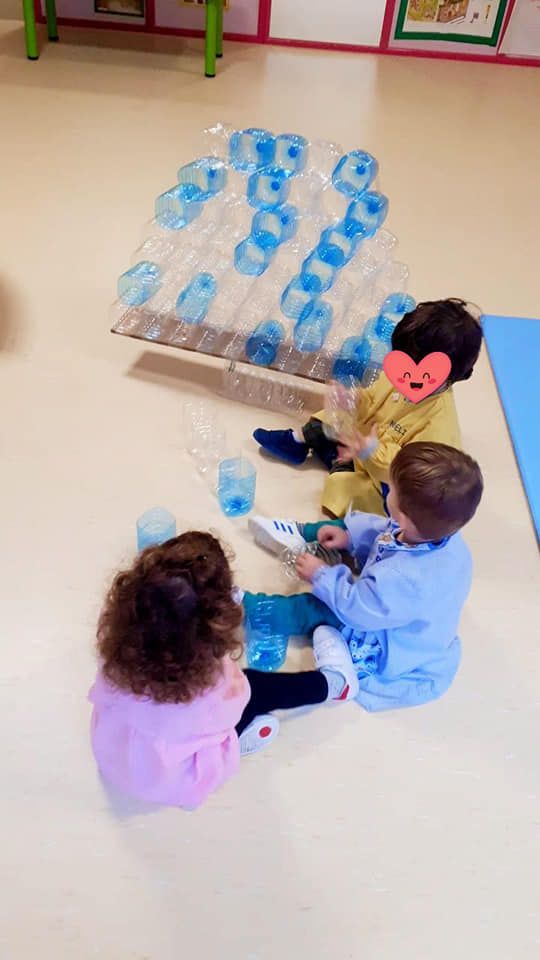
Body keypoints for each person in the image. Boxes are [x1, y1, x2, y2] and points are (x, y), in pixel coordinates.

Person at [89, 531, 358, 810]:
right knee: (255, 687)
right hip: (178, 778)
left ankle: (238, 737)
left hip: (119, 758)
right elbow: (236, 702)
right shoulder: (215, 687)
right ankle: (333, 684)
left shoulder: (116, 645)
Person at [243, 442, 483, 712]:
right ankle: (303, 533)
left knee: (312, 610)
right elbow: (387, 531)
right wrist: (350, 537)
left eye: (390, 489)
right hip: (397, 606)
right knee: (343, 528)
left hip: (385, 638)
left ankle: (245, 608)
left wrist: (321, 575)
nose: (386, 491)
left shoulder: (404, 578)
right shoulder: (435, 532)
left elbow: (357, 609)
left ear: (404, 516)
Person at [253, 298, 483, 518]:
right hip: (365, 439)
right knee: (328, 420)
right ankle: (298, 441)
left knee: (353, 491)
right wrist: (353, 402)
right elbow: (372, 397)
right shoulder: (399, 376)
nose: (405, 377)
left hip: (384, 472)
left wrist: (371, 451)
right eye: (403, 365)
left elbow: (410, 472)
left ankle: (342, 499)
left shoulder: (439, 425)